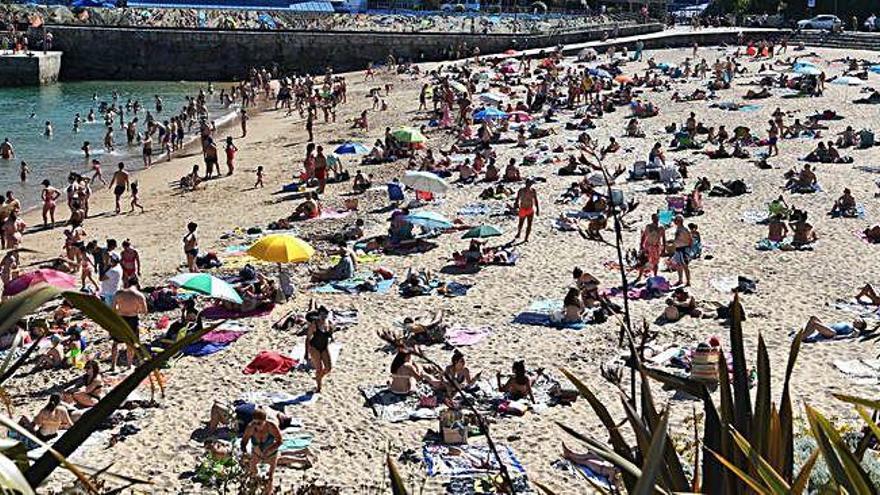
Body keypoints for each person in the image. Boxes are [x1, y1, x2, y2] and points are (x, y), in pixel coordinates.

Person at [240, 408, 281, 495]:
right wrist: (245, 453)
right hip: (256, 455)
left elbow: (279, 441)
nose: (256, 426)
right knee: (253, 476)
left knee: (269, 478)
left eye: (259, 423)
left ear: (264, 421)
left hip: (271, 455)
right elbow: (244, 442)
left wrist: (269, 450)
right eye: (254, 423)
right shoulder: (250, 427)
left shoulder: (271, 426)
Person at [111, 276, 147, 371]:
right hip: (132, 319)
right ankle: (129, 365)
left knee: (115, 342)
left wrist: (121, 310)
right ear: (137, 284)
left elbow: (113, 308)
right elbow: (144, 311)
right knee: (130, 344)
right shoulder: (139, 295)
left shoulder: (119, 293)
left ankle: (113, 365)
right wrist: (135, 309)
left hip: (120, 319)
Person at [305, 307, 333, 393]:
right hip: (314, 347)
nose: (323, 316)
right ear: (319, 315)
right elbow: (308, 338)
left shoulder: (329, 324)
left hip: (324, 347)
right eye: (322, 315)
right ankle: (318, 387)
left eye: (325, 314)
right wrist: (306, 352)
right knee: (319, 369)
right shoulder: (314, 324)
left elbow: (329, 335)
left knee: (328, 368)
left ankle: (318, 377)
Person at [800, 316, 868, 342]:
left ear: (860, 327)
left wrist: (837, 337)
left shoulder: (854, 330)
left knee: (815, 324)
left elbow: (848, 336)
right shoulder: (849, 324)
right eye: (859, 319)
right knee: (813, 318)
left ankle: (802, 337)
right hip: (829, 328)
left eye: (860, 322)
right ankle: (805, 334)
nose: (858, 320)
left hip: (832, 333)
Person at [671, 215, 692, 286]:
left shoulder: (684, 229)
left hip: (683, 249)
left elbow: (689, 239)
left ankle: (688, 281)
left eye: (675, 220)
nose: (674, 222)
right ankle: (680, 280)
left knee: (685, 265)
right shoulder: (679, 229)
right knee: (678, 265)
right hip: (678, 248)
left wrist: (688, 247)